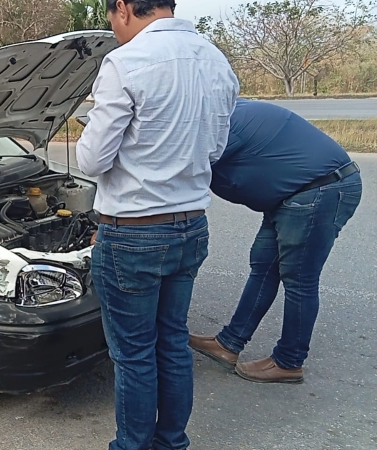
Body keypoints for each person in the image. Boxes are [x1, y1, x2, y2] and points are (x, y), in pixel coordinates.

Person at [76, 1, 239, 449]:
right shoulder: (215, 58)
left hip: (132, 233)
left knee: (133, 355)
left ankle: (131, 446)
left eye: (111, 18)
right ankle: (172, 442)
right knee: (171, 343)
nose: (113, 28)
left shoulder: (125, 62)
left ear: (124, 8)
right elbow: (215, 148)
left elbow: (91, 160)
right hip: (190, 226)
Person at [189, 98, 362, 383]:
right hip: (291, 193)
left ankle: (289, 362)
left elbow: (185, 170)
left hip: (320, 189)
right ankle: (228, 343)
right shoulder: (216, 113)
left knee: (299, 278)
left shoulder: (218, 127)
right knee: (264, 267)